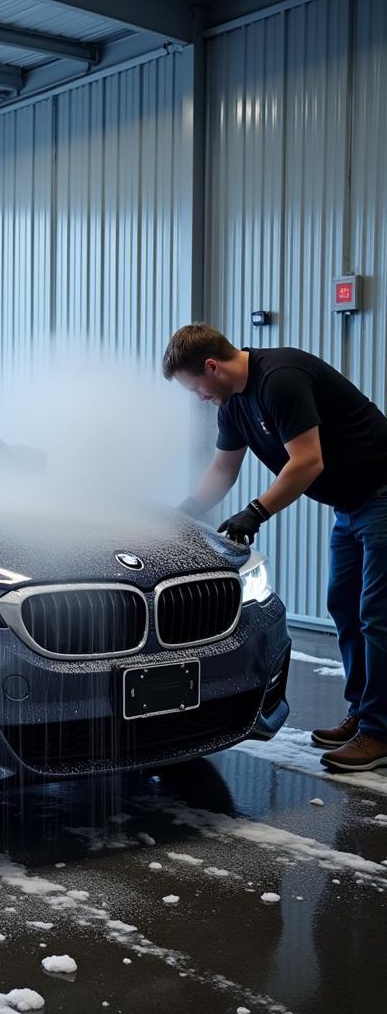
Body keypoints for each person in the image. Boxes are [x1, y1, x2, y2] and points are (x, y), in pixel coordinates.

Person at [162, 323, 387, 772]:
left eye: (195, 388)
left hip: (380, 494)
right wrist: (182, 514)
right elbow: (223, 470)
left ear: (212, 367)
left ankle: (380, 732)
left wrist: (256, 513)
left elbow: (308, 461)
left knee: (377, 614)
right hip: (350, 504)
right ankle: (363, 714)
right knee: (343, 605)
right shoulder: (233, 404)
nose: (198, 398)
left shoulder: (279, 377)